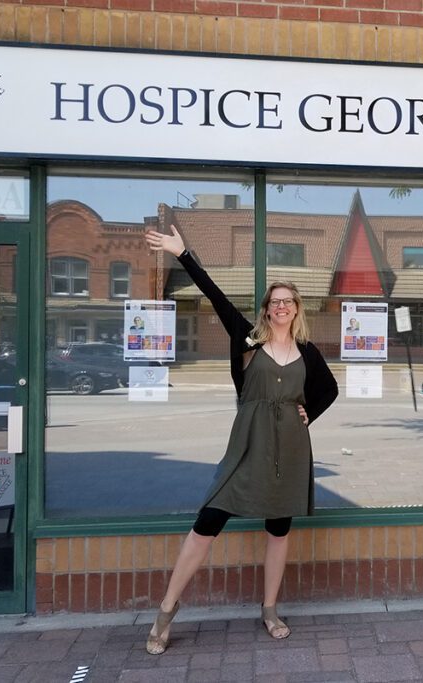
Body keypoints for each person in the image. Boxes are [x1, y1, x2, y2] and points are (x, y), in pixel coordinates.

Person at [142, 225, 339, 654]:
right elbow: (213, 294)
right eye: (275, 302)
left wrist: (308, 416)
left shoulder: (309, 352)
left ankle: (269, 609)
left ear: (297, 308)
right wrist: (183, 254)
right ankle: (166, 610)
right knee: (207, 523)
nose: (282, 307)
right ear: (266, 309)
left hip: (289, 447)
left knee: (278, 529)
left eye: (289, 301)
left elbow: (329, 391)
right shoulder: (248, 339)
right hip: (248, 443)